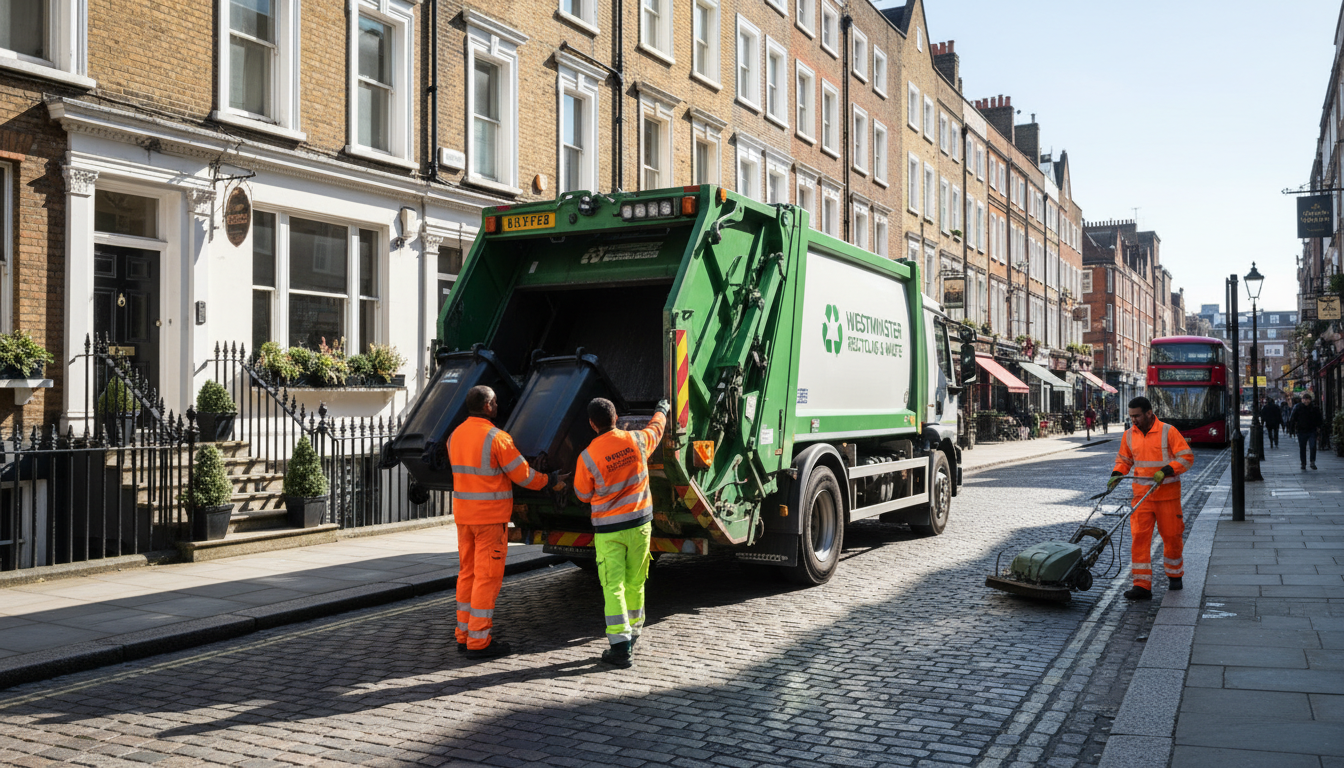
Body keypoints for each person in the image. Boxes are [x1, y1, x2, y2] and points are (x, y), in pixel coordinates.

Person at [448, 385, 566, 659]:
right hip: (490, 520)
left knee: (467, 574)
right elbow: (523, 475)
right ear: (488, 406)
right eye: (496, 402)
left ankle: (464, 634)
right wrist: (550, 481)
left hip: (464, 518)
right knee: (487, 578)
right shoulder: (497, 438)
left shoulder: (454, 435)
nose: (498, 406)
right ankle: (479, 641)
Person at [574, 397, 669, 668]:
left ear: (592, 424)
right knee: (635, 581)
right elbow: (657, 429)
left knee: (612, 585)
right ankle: (634, 632)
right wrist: (662, 409)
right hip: (640, 526)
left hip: (609, 531)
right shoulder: (637, 440)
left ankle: (620, 647)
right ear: (616, 418)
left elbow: (582, 494)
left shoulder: (588, 456)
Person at [1108, 396, 1195, 601]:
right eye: (1131, 416)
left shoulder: (1168, 431)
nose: (1133, 420)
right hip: (1141, 497)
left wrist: (1168, 469)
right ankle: (1141, 586)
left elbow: (1186, 457)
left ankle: (1175, 576)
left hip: (1167, 497)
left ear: (1149, 413)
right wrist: (1116, 474)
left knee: (1172, 537)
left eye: (1137, 415)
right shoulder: (1129, 435)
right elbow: (1124, 459)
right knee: (1139, 540)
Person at [1291, 392, 1324, 470]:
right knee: (1302, 447)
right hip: (1301, 431)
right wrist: (1292, 429)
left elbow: (1319, 419)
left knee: (1313, 447)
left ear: (1310, 400)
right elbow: (1293, 419)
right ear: (1302, 400)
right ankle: (1303, 463)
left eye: (1308, 400)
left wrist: (1319, 428)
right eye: (1304, 399)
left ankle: (1312, 462)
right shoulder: (1298, 408)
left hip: (1312, 430)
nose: (1306, 401)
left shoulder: (1314, 408)